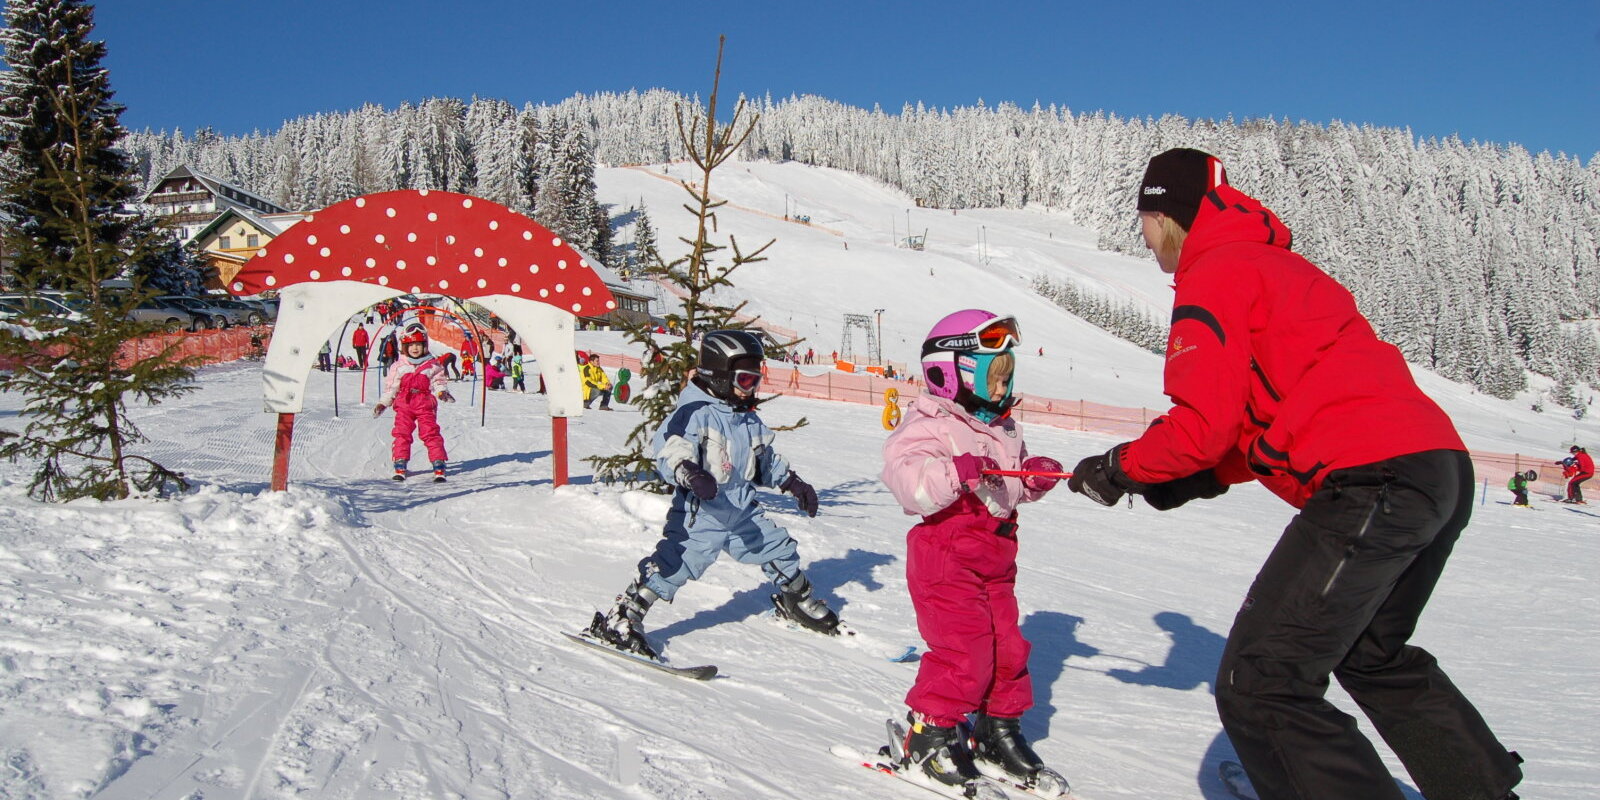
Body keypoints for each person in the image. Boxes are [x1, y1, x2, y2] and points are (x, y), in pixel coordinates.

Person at [1066, 148, 1522, 800]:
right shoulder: (1274, 265)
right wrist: (1187, 479)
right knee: (1372, 654)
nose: (1144, 236)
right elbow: (1266, 423)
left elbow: (1201, 424)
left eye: (1144, 217)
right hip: (1437, 470)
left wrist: (1121, 468)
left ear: (1164, 213)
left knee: (1261, 682)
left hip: (1375, 481)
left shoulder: (1214, 273)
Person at [880, 309, 1068, 794]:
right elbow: (908, 484)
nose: (1003, 387)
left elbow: (1006, 486)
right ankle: (931, 734)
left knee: (1009, 649)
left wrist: (1032, 479)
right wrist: (952, 472)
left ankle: (995, 730)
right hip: (946, 554)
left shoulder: (1003, 427)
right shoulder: (930, 425)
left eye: (1007, 376)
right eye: (993, 376)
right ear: (948, 373)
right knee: (964, 653)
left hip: (996, 555)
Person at [584, 330, 835, 659]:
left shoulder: (745, 416)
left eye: (756, 380)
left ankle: (796, 601)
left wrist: (793, 483)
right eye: (745, 380)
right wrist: (690, 472)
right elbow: (670, 450)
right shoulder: (696, 413)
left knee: (778, 548)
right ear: (718, 376)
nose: (752, 388)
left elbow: (763, 459)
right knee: (678, 563)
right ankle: (624, 617)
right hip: (702, 511)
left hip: (742, 509)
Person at [373, 323, 455, 481]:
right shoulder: (399, 366)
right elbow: (391, 387)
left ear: (424, 345)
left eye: (418, 344)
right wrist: (383, 403)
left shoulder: (432, 365)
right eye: (411, 345)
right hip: (404, 403)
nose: (415, 348)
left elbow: (438, 381)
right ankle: (400, 462)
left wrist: (441, 392)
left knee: (430, 432)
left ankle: (438, 463)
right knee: (402, 433)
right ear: (404, 347)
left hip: (424, 403)